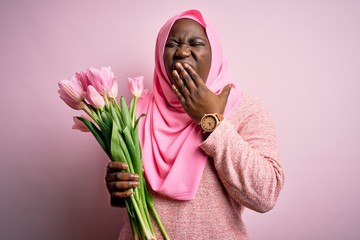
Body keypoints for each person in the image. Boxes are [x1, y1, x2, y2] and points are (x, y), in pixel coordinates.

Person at [105, 9, 284, 240]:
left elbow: (265, 195)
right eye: (172, 44)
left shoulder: (245, 109)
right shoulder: (135, 111)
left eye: (196, 43)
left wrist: (211, 121)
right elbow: (129, 195)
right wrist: (117, 188)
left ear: (215, 53)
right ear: (160, 55)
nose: (182, 52)